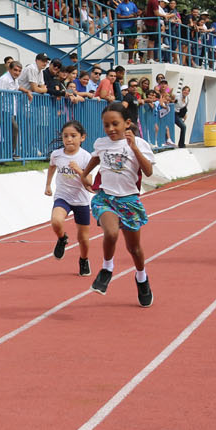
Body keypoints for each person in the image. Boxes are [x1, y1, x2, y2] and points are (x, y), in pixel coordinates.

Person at [79, 102, 156, 306]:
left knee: (134, 249)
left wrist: (134, 148)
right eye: (106, 125)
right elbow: (96, 159)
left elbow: (148, 172)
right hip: (106, 198)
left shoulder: (139, 143)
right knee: (111, 233)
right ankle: (107, 268)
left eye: (115, 124)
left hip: (129, 201)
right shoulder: (101, 143)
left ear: (127, 123)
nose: (111, 129)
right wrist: (84, 175)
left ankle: (141, 278)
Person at [45, 119, 94, 276]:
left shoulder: (86, 157)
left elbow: (90, 183)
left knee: (83, 238)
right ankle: (62, 238)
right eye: (65, 136)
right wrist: (48, 185)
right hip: (63, 196)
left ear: (82, 138)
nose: (69, 139)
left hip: (81, 199)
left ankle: (84, 259)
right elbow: (52, 166)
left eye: (73, 135)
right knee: (56, 220)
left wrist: (79, 171)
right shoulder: (57, 154)